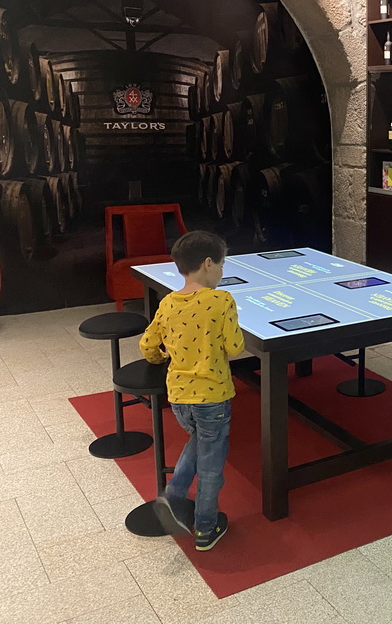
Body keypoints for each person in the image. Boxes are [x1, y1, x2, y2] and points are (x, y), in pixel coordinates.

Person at [139, 230, 244, 550]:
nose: (223, 272)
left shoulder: (169, 302)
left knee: (199, 440)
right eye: (222, 265)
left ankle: (173, 496)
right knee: (212, 464)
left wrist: (161, 356)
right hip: (213, 395)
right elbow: (236, 347)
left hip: (180, 396)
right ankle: (205, 528)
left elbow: (148, 345)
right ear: (208, 264)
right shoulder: (222, 300)